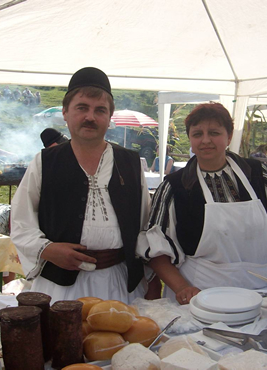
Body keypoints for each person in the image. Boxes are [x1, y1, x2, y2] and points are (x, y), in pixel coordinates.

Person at [137, 103, 267, 305]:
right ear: (190, 139)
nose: (205, 140)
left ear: (229, 137)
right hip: (203, 297)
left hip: (264, 294)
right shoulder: (175, 186)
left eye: (214, 133)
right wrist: (182, 288)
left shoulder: (257, 173)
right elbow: (156, 251)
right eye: (197, 134)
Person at [11, 67, 159, 304]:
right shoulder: (45, 162)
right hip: (59, 287)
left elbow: (144, 225)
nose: (90, 117)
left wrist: (150, 280)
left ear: (109, 118)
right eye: (82, 108)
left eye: (100, 110)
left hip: (120, 285)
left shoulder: (130, 163)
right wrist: (47, 250)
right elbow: (20, 222)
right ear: (65, 114)